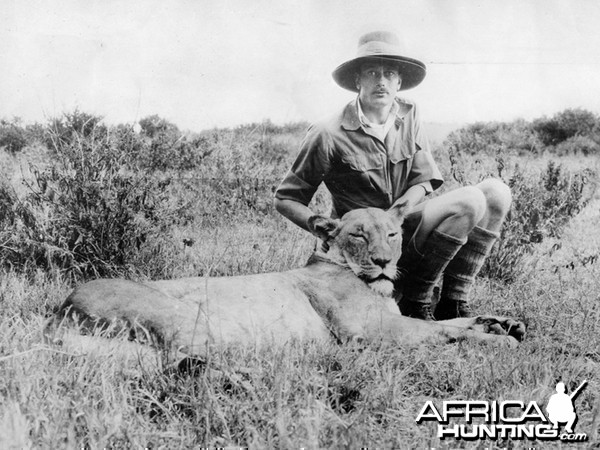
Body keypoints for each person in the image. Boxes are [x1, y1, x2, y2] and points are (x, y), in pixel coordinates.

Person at [274, 31, 511, 321]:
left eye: (390, 73)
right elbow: (286, 199)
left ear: (399, 81)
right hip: (364, 243)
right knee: (470, 200)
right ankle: (416, 299)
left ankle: (454, 301)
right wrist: (319, 227)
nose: (382, 81)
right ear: (357, 81)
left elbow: (424, 180)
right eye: (372, 72)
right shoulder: (327, 132)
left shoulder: (409, 113)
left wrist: (396, 214)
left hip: (401, 226)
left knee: (496, 192)